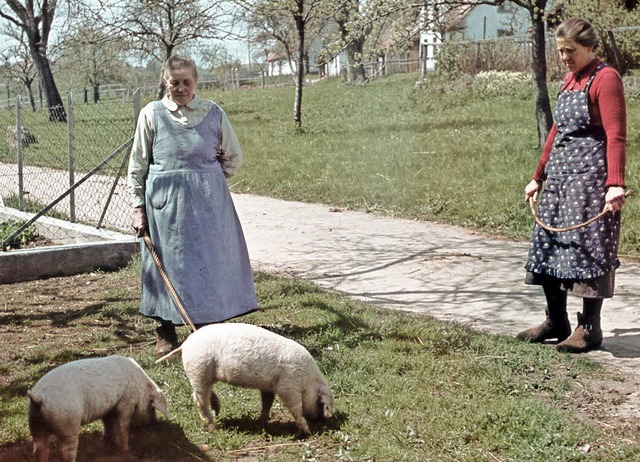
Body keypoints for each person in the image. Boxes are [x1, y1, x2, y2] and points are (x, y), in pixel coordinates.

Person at [127, 55, 258, 356]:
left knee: (210, 261)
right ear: (166, 83)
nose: (181, 88)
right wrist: (138, 208)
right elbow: (137, 166)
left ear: (196, 82)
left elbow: (233, 158)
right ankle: (165, 330)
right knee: (168, 262)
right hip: (165, 206)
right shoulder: (152, 114)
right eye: (175, 83)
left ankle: (210, 330)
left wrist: (207, 181)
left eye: (187, 82)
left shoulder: (213, 113)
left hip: (209, 206)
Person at [517, 18, 627, 353]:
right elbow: (556, 132)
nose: (565, 57)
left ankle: (589, 329)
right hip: (560, 181)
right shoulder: (568, 81)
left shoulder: (605, 79)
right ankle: (556, 321)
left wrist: (614, 184)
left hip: (589, 182)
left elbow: (616, 135)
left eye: (571, 51)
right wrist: (538, 176)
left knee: (587, 251)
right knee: (549, 247)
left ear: (590, 46)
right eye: (561, 51)